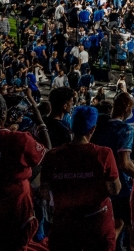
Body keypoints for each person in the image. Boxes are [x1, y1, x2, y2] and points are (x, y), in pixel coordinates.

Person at [40, 105, 121, 251]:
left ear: (70, 127)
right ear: (93, 129)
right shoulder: (103, 154)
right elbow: (115, 189)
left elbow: (45, 192)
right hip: (96, 226)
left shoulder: (52, 156)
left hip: (64, 226)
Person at [0, 93, 51, 251]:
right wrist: (40, 121)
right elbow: (48, 154)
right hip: (16, 208)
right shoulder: (19, 139)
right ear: (4, 114)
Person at [92, 91, 134, 246]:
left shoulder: (99, 124)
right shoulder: (125, 129)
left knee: (116, 222)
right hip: (121, 187)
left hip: (99, 182)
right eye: (132, 108)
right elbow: (124, 163)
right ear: (127, 107)